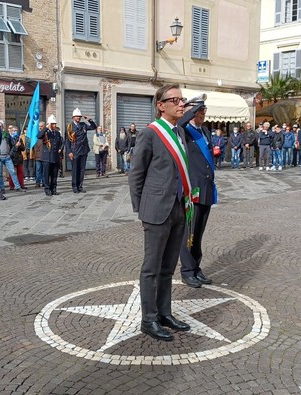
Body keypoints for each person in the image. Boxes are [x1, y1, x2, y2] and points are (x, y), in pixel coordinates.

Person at [128, 83, 192, 342]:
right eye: (174, 100)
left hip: (178, 207)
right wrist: (142, 208)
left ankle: (165, 312)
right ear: (161, 105)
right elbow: (136, 174)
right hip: (156, 211)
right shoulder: (151, 134)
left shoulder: (180, 133)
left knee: (168, 267)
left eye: (182, 99)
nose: (181, 104)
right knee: (151, 268)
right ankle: (149, 318)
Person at [177, 99, 216, 289]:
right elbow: (179, 122)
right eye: (199, 111)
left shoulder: (205, 131)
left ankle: (196, 267)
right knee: (189, 232)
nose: (202, 114)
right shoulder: (183, 130)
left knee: (199, 232)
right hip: (193, 188)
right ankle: (187, 270)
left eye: (204, 111)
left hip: (206, 187)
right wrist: (190, 111)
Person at [66, 108, 97, 193]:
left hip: (83, 150)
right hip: (75, 150)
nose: (78, 118)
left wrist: (90, 120)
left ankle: (80, 186)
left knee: (82, 169)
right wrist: (69, 152)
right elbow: (67, 141)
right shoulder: (70, 126)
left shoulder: (83, 125)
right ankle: (75, 186)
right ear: (73, 117)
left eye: (79, 116)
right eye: (77, 116)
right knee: (75, 169)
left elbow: (93, 127)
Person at [38, 115, 63, 196]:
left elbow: (59, 143)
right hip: (46, 157)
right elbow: (39, 136)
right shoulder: (45, 132)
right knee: (46, 174)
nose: (54, 126)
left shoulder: (57, 133)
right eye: (52, 124)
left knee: (54, 175)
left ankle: (54, 189)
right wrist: (46, 128)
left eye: (55, 124)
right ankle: (47, 189)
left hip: (55, 156)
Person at [0, 124, 24, 193]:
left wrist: (17, 146)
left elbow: (11, 146)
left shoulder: (7, 136)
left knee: (13, 172)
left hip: (7, 156)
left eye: (0, 126)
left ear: (3, 127)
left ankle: (17, 187)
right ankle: (1, 188)